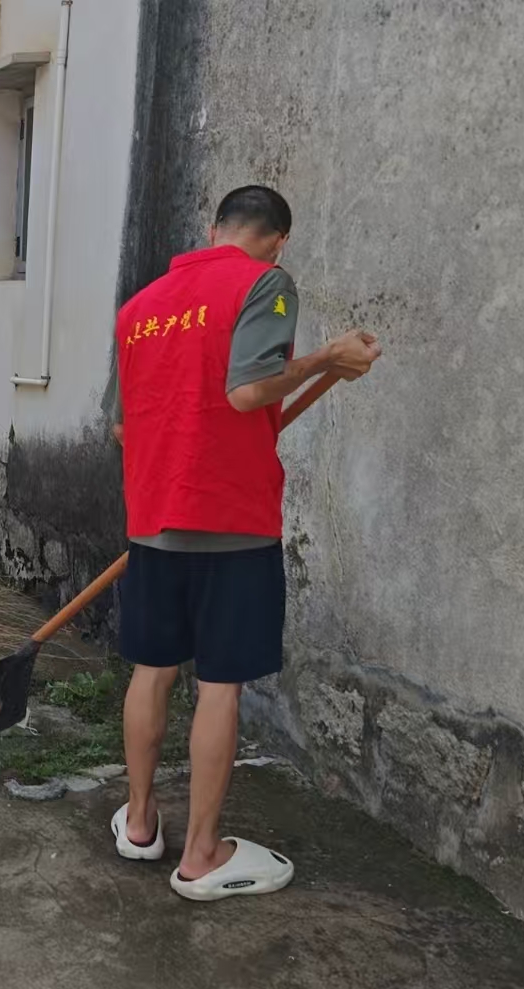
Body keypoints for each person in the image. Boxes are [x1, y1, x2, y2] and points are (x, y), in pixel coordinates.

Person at [112, 185, 380, 900]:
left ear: (213, 229)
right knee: (218, 686)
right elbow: (248, 391)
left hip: (153, 519)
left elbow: (122, 428)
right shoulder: (268, 284)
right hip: (231, 521)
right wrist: (326, 358)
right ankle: (201, 856)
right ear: (278, 239)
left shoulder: (139, 309)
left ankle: (139, 824)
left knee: (152, 671)